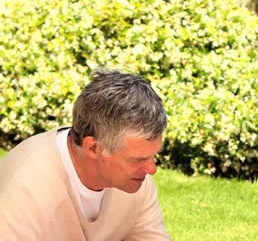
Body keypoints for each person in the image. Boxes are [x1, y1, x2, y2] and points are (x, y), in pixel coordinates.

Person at [0, 71, 171, 240]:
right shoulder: (24, 189)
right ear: (93, 147)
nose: (151, 169)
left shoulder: (134, 181)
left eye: (152, 156)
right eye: (137, 159)